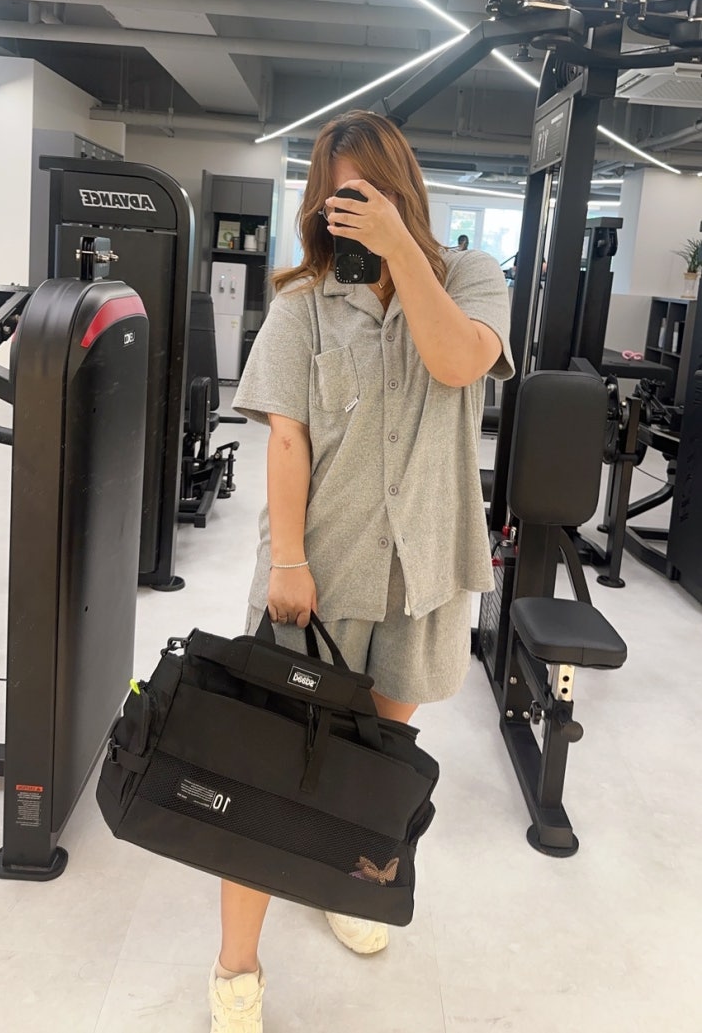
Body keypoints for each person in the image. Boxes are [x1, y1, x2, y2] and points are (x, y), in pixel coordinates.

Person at [208, 110, 514, 1032]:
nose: (351, 211)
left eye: (368, 195)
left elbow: (457, 361)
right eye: (337, 198)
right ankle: (235, 965)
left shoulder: (470, 278)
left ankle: (340, 885)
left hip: (421, 574)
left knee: (370, 765)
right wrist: (287, 559)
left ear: (401, 189)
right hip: (318, 572)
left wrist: (399, 250)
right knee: (269, 769)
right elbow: (288, 438)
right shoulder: (301, 301)